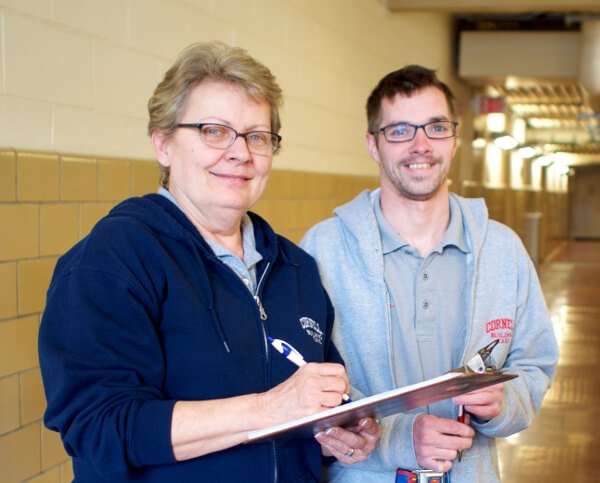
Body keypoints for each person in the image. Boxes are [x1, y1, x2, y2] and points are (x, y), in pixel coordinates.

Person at [38, 41, 381, 482]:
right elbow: (99, 428)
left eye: (257, 136)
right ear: (163, 144)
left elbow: (317, 405)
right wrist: (269, 409)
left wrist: (345, 429)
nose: (241, 153)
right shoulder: (112, 261)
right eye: (214, 131)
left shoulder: (295, 270)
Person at [300, 65, 559, 482]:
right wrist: (397, 438)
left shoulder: (502, 250)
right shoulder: (323, 251)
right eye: (400, 130)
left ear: (455, 140)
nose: (421, 144)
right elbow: (301, 382)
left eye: (436, 127)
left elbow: (536, 361)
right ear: (373, 144)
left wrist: (504, 402)